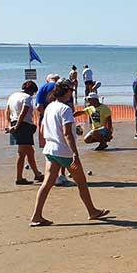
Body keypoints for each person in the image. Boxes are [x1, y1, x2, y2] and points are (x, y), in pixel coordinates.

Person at [29, 79, 109, 227]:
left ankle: (36, 216)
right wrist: (75, 154)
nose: (72, 93)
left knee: (47, 184)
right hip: (64, 153)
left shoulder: (50, 107)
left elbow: (43, 128)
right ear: (65, 92)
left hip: (50, 150)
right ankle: (92, 211)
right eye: (71, 91)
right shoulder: (65, 109)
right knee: (82, 183)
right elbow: (67, 134)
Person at [5, 80, 44, 185]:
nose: (33, 95)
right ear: (31, 91)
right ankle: (19, 178)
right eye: (33, 93)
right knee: (22, 153)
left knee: (29, 151)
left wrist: (10, 126)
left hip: (14, 123)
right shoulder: (27, 97)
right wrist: (17, 126)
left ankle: (37, 174)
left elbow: (7, 111)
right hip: (23, 125)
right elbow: (24, 111)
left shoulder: (13, 96)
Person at [36, 73, 70, 186]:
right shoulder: (62, 87)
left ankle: (54, 177)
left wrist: (47, 116)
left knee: (51, 148)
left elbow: (38, 106)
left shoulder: (43, 88)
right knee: (63, 145)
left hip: (48, 122)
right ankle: (62, 174)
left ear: (47, 80)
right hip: (62, 119)